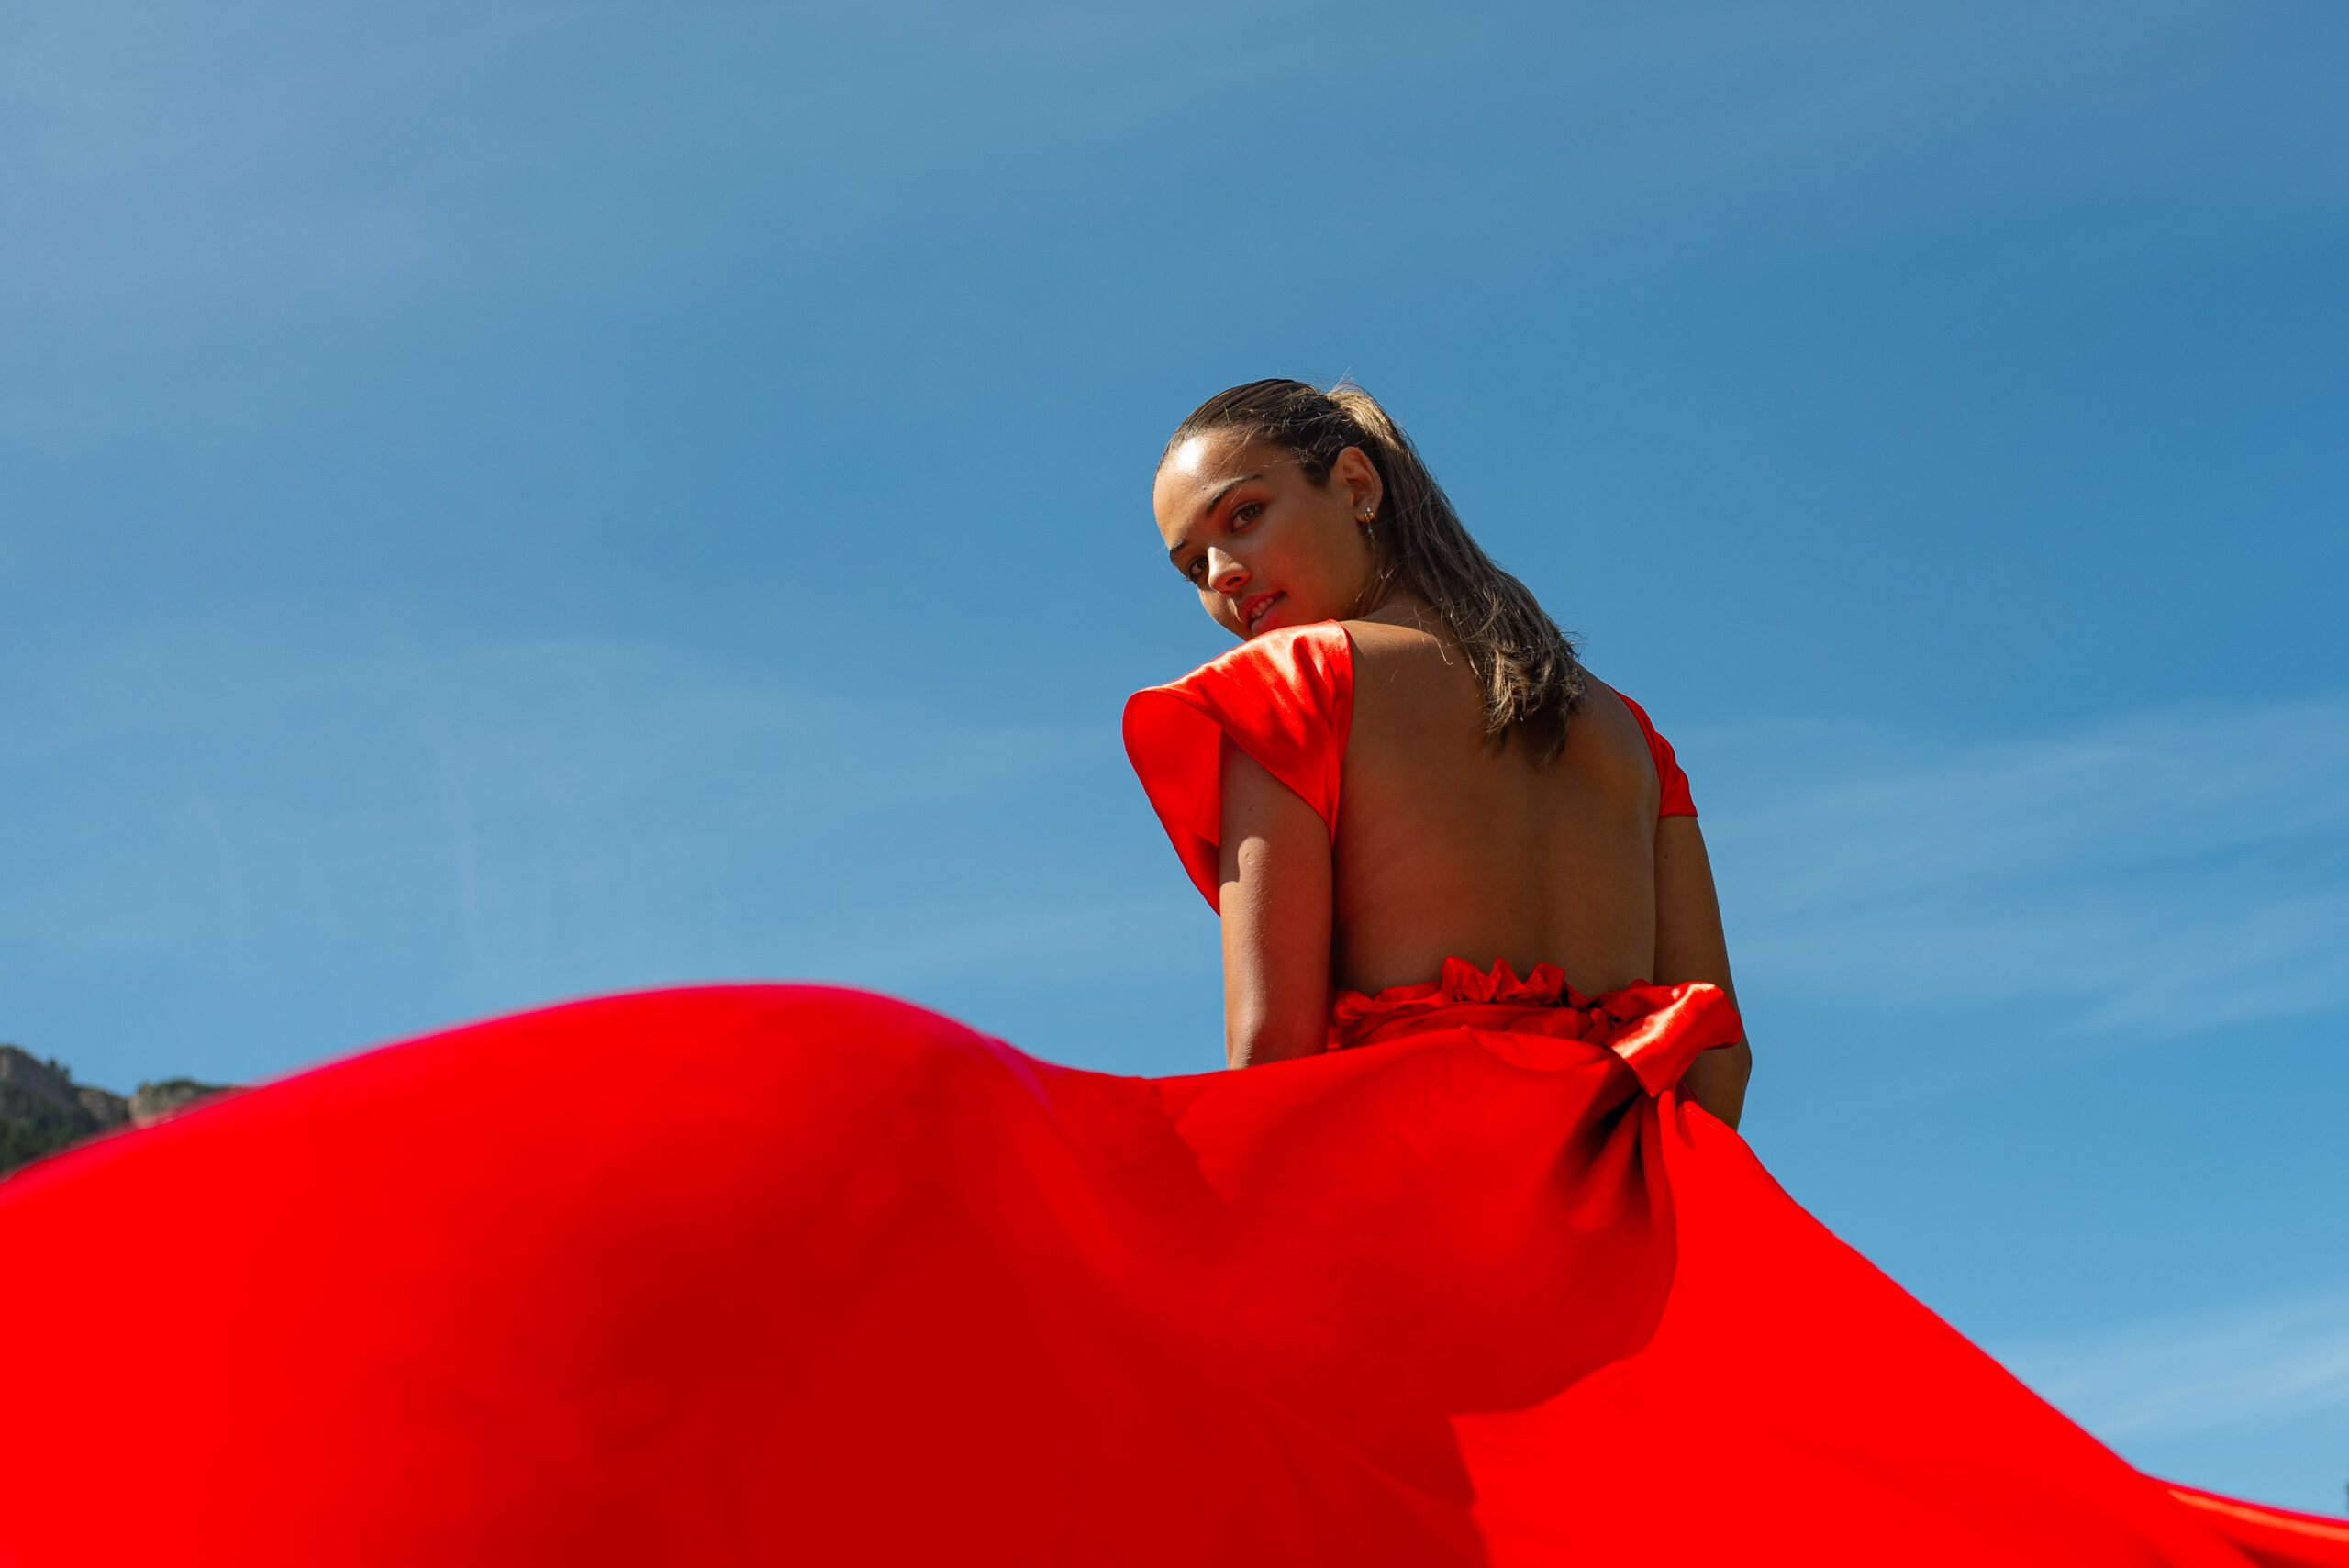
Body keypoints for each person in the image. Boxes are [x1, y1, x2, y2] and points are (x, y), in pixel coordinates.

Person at [1, 383, 2344, 1567]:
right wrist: (1610, 1206)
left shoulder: (1282, 697)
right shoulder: (1626, 732)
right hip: (1647, 1221)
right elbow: (1713, 1044)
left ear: (1350, 481)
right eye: (1188, 562)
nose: (1218, 583)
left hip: (1395, 1193)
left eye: (1238, 519)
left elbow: (1266, 1029)